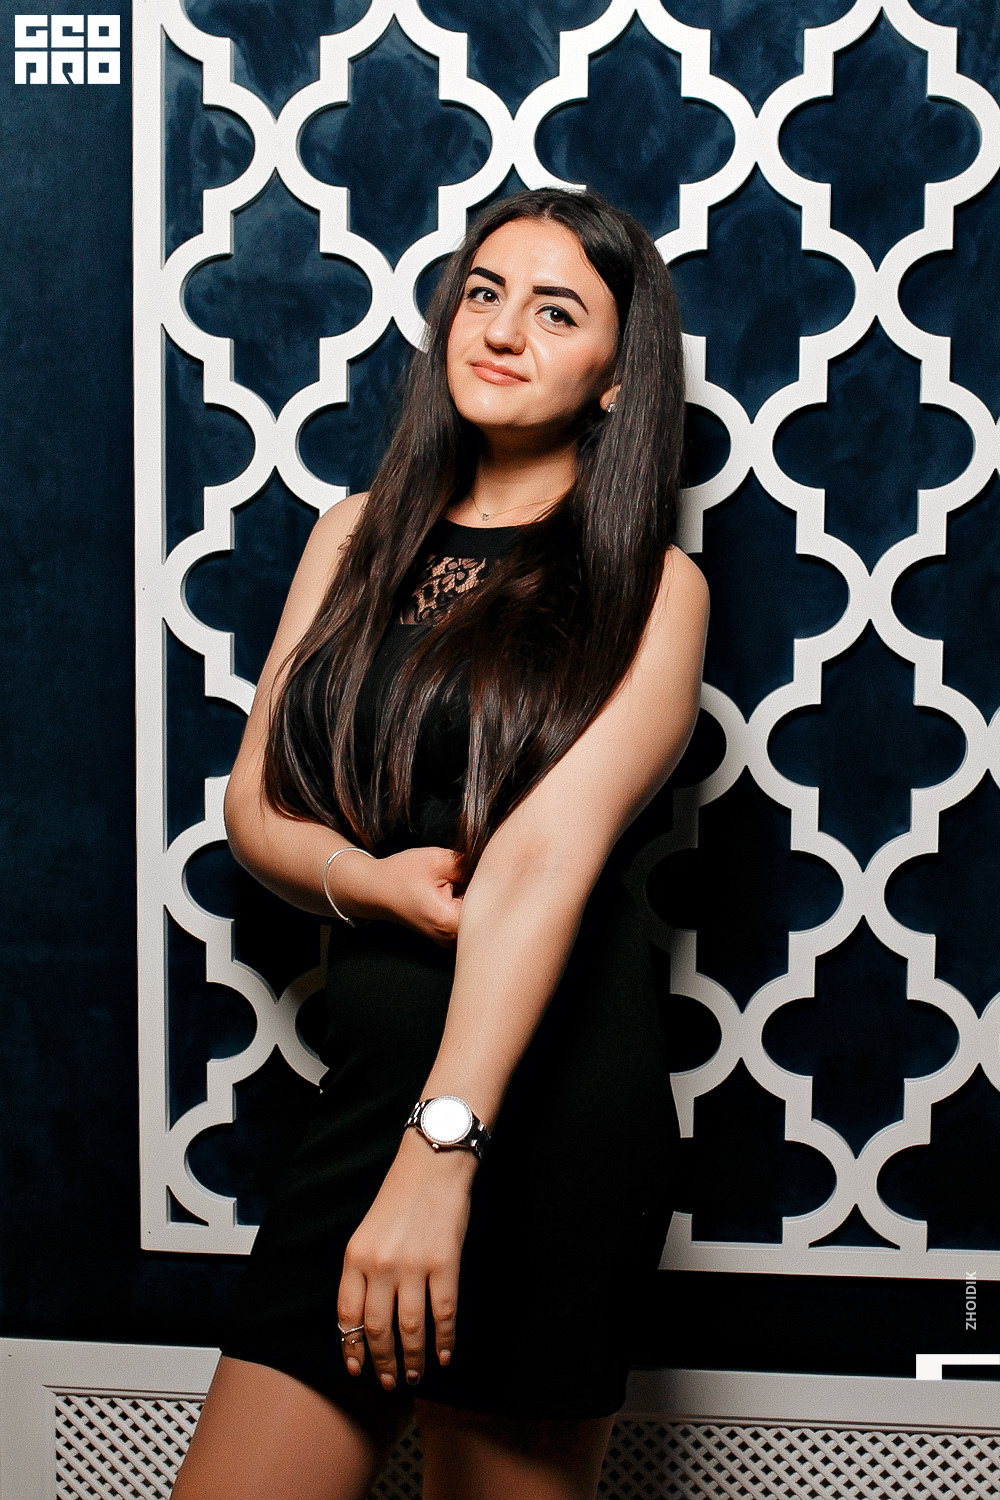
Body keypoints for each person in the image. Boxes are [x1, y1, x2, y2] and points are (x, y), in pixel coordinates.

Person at [171, 187, 708, 1500]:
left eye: (557, 311)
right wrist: (370, 885)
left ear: (619, 382)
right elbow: (255, 809)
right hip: (369, 1095)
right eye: (484, 292)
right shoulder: (354, 536)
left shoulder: (652, 586)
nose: (504, 329)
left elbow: (543, 857)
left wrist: (442, 1154)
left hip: (547, 1116)